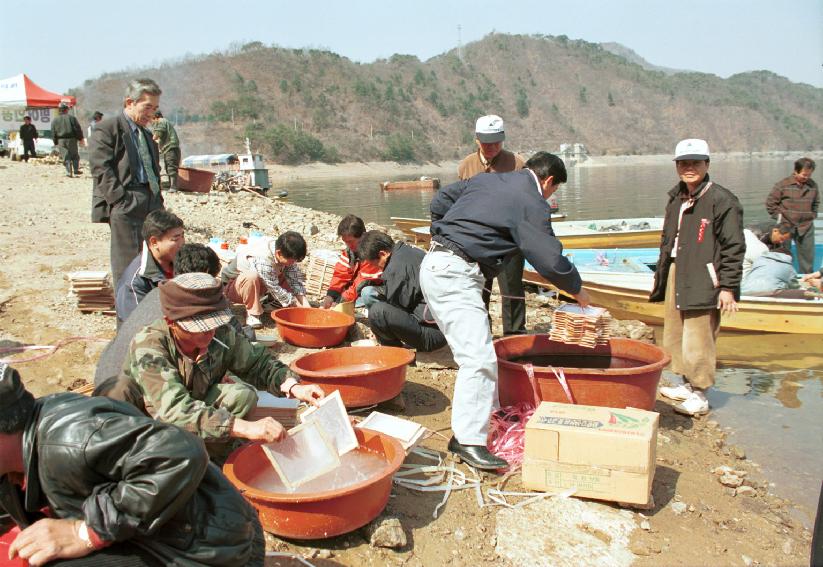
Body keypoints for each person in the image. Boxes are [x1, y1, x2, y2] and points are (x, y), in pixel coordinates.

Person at [421, 151, 589, 469]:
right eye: (553, 191)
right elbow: (549, 258)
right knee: (479, 360)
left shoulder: (487, 180)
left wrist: (443, 230)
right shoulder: (532, 199)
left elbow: (442, 199)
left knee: (476, 353)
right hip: (455, 273)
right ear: (549, 181)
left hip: (437, 264)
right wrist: (578, 289)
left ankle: (470, 427)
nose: (550, 198)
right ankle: (468, 442)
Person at [0, 363, 265, 566]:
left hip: (217, 545)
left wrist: (85, 531)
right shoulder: (18, 454)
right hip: (170, 536)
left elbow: (182, 452)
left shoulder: (71, 439)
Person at [117, 272, 323, 445]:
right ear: (172, 322)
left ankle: (217, 459)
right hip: (151, 421)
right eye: (199, 328)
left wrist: (294, 387)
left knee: (240, 396)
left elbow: (257, 364)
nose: (209, 333)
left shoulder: (220, 334)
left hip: (197, 403)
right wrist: (241, 427)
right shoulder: (150, 345)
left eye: (212, 325)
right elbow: (175, 410)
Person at [652, 139, 744, 417]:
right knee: (675, 331)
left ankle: (701, 393)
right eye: (683, 163)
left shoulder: (722, 200)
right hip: (677, 271)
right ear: (677, 166)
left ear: (707, 164)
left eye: (695, 163)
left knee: (699, 336)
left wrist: (728, 286)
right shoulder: (676, 197)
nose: (689, 168)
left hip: (705, 276)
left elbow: (734, 246)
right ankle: (686, 384)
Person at [96, 243, 222, 387]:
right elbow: (174, 404)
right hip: (128, 394)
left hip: (106, 379)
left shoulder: (157, 294)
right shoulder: (184, 312)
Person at [90, 78, 165, 287]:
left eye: (155, 108)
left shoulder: (146, 135)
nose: (151, 113)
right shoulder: (108, 129)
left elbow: (154, 170)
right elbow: (100, 168)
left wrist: (158, 199)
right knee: (127, 267)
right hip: (127, 201)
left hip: (151, 203)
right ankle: (127, 318)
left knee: (151, 262)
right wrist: (120, 200)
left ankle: (147, 315)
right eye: (147, 107)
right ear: (129, 103)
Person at [457, 114, 528, 336]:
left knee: (512, 290)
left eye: (496, 142)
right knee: (478, 289)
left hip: (509, 238)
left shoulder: (517, 163)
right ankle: (481, 334)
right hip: (478, 239)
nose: (491, 147)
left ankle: (515, 335)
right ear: (477, 140)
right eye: (486, 143)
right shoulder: (466, 166)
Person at [357, 230, 447, 352]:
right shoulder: (408, 251)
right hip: (446, 323)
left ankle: (394, 353)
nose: (378, 268)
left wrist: (377, 331)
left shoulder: (396, 271)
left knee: (377, 313)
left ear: (383, 254)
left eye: (376, 264)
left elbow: (397, 307)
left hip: (434, 335)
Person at [223, 231, 310, 329]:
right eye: (293, 260)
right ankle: (253, 314)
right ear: (279, 253)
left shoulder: (285, 250)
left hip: (263, 284)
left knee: (287, 273)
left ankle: (270, 304)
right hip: (235, 287)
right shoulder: (263, 257)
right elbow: (274, 287)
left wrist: (307, 307)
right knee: (252, 276)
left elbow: (294, 280)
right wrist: (297, 304)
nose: (294, 263)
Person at [115, 209, 185, 324]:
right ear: (154, 242)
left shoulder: (180, 262)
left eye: (183, 236)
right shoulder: (135, 282)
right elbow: (139, 327)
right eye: (176, 239)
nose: (182, 243)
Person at [766, 157, 818, 273]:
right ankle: (783, 279)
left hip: (806, 226)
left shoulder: (813, 186)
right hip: (785, 226)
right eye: (804, 175)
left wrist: (811, 215)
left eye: (809, 175)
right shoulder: (782, 185)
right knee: (783, 256)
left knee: (807, 258)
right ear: (796, 171)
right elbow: (770, 203)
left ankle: (807, 280)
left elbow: (816, 203)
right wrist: (780, 217)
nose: (807, 178)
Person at [322, 214, 383, 310]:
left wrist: (341, 301)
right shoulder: (349, 252)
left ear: (362, 236)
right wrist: (331, 295)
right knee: (338, 297)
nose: (348, 245)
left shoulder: (372, 252)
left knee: (367, 293)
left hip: (378, 287)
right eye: (345, 242)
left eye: (351, 241)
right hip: (359, 288)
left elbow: (362, 282)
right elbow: (340, 275)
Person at [51, 102, 85, 177]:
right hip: (72, 139)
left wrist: (55, 142)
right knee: (74, 155)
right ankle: (76, 170)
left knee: (66, 156)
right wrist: (80, 138)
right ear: (66, 109)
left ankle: (69, 172)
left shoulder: (55, 120)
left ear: (60, 110)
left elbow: (53, 132)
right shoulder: (72, 118)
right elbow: (77, 129)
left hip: (61, 140)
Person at [150, 110, 181, 192]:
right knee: (168, 166)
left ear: (155, 117)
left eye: (151, 119)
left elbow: (157, 135)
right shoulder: (165, 122)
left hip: (171, 148)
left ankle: (173, 187)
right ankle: (171, 185)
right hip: (169, 148)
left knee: (171, 166)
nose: (151, 122)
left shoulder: (161, 121)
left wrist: (150, 139)